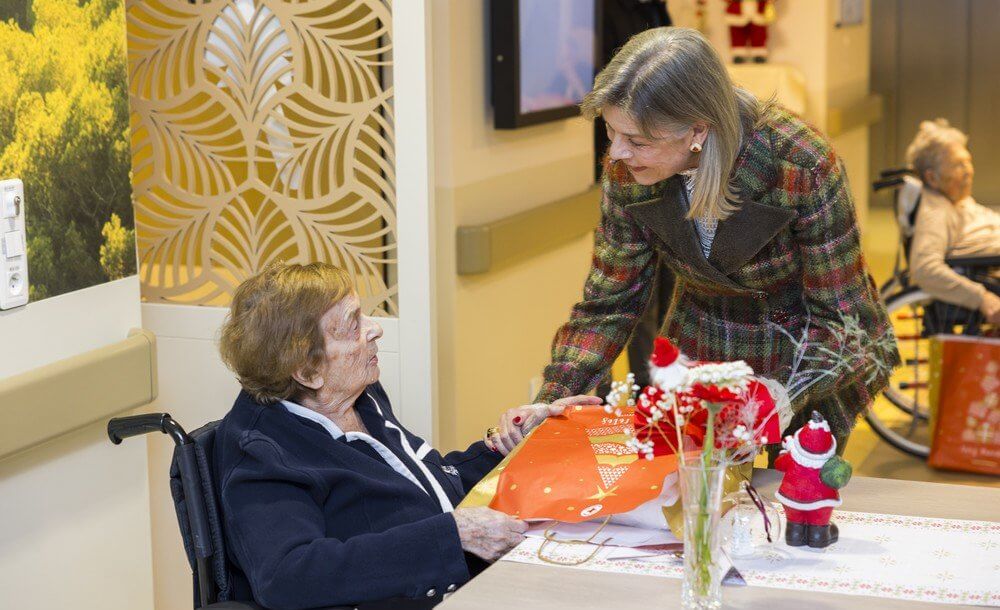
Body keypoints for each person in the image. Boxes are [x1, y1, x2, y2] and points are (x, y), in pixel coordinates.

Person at [533, 27, 899, 454]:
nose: (616, 154)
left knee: (787, 499)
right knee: (690, 499)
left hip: (805, 353)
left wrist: (779, 396)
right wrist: (551, 401)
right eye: (611, 133)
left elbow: (842, 322)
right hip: (700, 342)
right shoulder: (629, 171)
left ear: (698, 131)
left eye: (636, 141)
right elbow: (609, 304)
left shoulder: (801, 166)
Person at [214, 261, 596, 609]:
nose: (375, 329)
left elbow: (423, 483)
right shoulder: (264, 454)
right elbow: (288, 576)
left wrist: (508, 445)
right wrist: (452, 537)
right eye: (353, 325)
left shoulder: (360, 398)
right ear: (308, 370)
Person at [907, 119, 1000, 325]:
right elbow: (925, 269)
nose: (968, 170)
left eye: (968, 161)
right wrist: (982, 298)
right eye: (958, 165)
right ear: (932, 178)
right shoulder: (936, 212)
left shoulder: (956, 198)